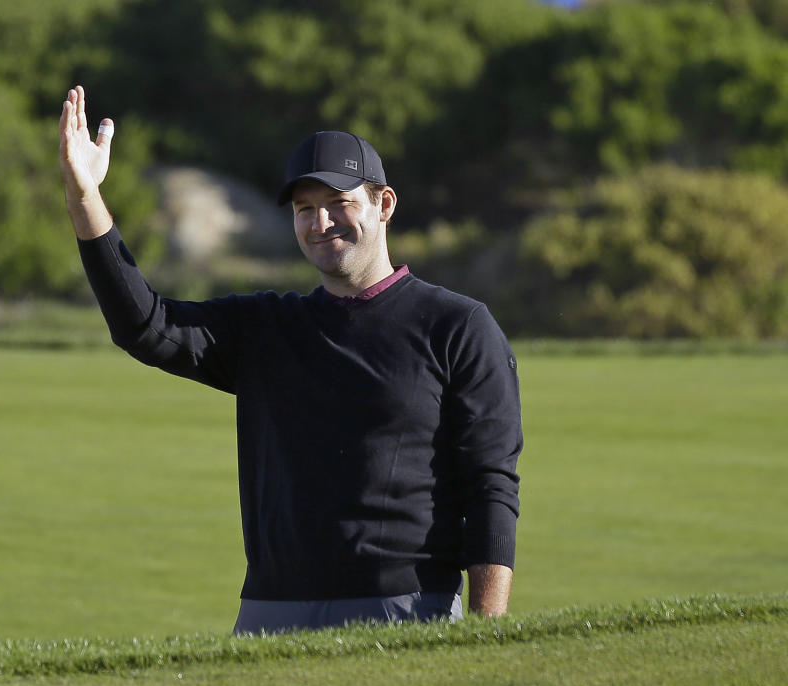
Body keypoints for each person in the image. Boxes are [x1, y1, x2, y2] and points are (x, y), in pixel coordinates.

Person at [58, 86, 522, 634]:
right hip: (269, 615)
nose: (320, 222)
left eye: (339, 203)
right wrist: (85, 197)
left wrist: (487, 633)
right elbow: (145, 325)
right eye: (305, 209)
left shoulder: (458, 326)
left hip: (405, 609)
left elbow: (490, 485)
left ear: (384, 204)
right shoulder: (266, 327)